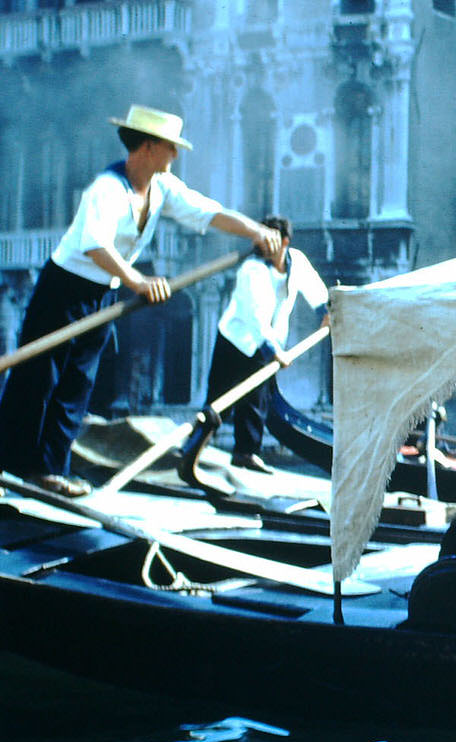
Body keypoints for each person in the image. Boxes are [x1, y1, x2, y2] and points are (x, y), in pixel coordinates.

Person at [0, 105, 281, 497]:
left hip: (102, 294)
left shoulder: (162, 188)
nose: (176, 155)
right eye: (170, 147)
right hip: (64, 290)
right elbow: (95, 244)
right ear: (148, 147)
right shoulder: (107, 189)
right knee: (38, 378)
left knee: (78, 383)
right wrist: (139, 281)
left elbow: (208, 212)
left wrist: (255, 231)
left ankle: (49, 471)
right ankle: (11, 467)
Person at [192, 215, 329, 473]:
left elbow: (315, 289)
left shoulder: (296, 261)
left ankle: (246, 453)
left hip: (269, 342)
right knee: (219, 398)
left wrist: (326, 311)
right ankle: (194, 446)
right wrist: (276, 352)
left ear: (285, 242)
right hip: (236, 339)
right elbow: (255, 316)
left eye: (270, 239)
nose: (263, 243)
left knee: (256, 400)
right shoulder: (251, 269)